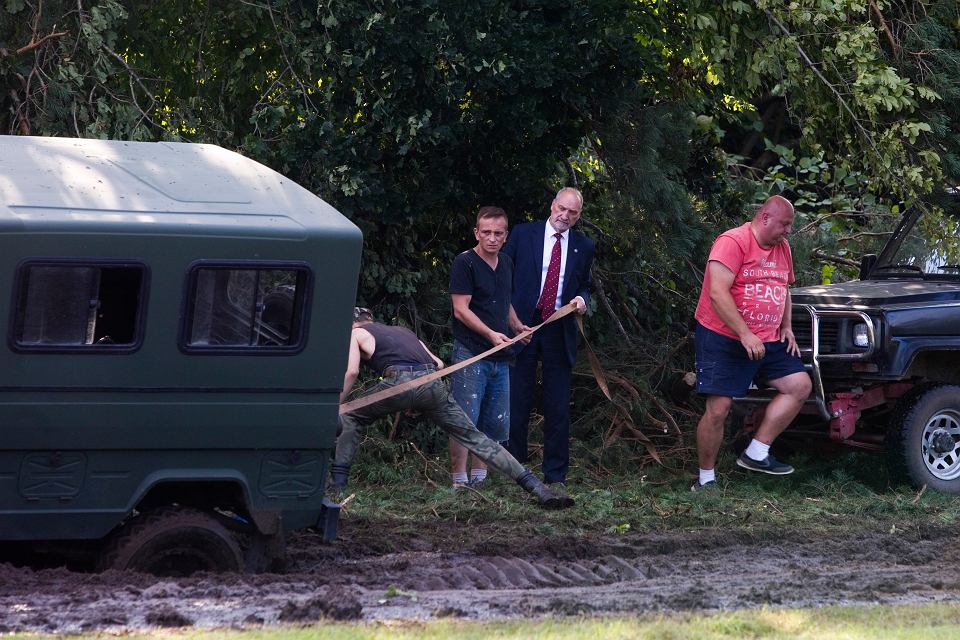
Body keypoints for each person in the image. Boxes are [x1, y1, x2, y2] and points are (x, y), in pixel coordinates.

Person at [329, 307, 574, 509]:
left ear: (352, 323)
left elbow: (351, 371)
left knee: (351, 417)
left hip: (398, 383)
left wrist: (335, 405)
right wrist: (416, 398)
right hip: (431, 383)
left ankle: (338, 485)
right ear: (371, 319)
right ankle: (537, 488)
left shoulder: (356, 333)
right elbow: (437, 364)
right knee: (475, 437)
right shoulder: (403, 331)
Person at [691, 194, 812, 491]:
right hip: (725, 337)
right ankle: (705, 481)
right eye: (784, 224)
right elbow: (717, 293)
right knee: (718, 409)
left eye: (790, 225)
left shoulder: (783, 248)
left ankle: (757, 452)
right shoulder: (732, 242)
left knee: (799, 386)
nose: (788, 231)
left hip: (767, 339)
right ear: (764, 218)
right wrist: (745, 333)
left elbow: (783, 287)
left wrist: (786, 325)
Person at [504, 187, 595, 485]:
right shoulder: (523, 234)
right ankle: (515, 469)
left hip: (559, 327)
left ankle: (555, 475)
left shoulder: (584, 246)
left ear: (578, 216)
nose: (565, 216)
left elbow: (585, 285)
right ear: (552, 205)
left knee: (557, 405)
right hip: (523, 326)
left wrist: (581, 300)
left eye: (572, 213)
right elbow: (503, 276)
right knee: (517, 398)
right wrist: (511, 320)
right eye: (562, 209)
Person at [448, 206, 516, 488]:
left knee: (494, 421)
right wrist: (490, 334)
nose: (492, 238)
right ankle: (459, 481)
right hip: (471, 352)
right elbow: (460, 309)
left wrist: (518, 327)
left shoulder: (507, 262)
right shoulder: (464, 263)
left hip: (500, 354)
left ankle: (480, 480)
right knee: (464, 419)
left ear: (505, 235)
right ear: (476, 232)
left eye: (498, 233)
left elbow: (504, 302)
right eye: (486, 232)